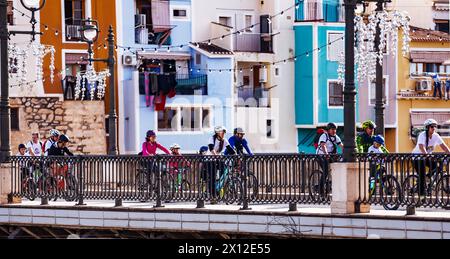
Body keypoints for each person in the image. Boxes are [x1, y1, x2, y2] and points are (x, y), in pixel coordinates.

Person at [412, 119, 450, 198]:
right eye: (432, 126)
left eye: (435, 126)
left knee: (436, 165)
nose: (434, 128)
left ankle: (428, 178)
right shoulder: (422, 135)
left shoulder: (436, 136)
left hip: (426, 157)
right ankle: (421, 196)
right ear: (427, 127)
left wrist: (449, 153)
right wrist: (426, 155)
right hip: (417, 158)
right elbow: (421, 146)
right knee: (422, 174)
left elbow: (444, 147)